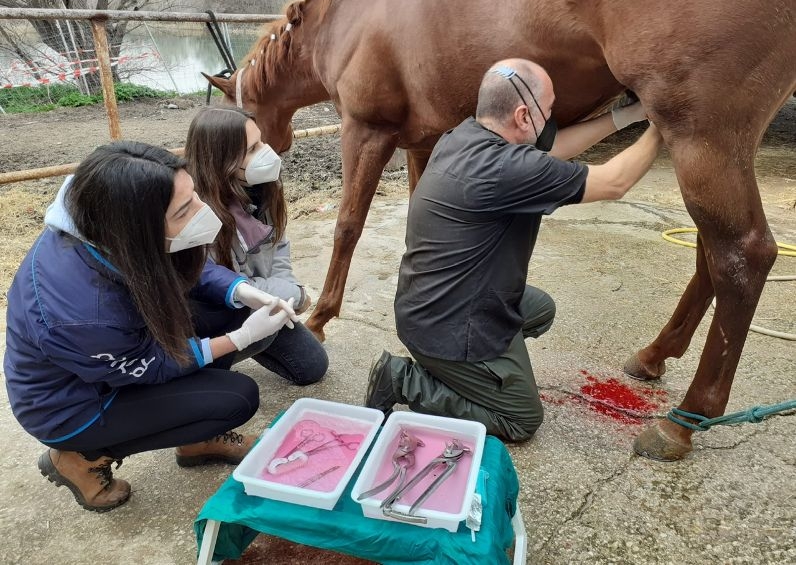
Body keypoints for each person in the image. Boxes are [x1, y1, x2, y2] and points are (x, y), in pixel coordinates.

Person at [366, 58, 664, 442]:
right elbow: (615, 182)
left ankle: (482, 372)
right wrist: (661, 126)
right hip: (445, 328)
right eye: (550, 109)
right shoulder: (505, 169)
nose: (551, 118)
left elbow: (551, 148)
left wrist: (628, 117)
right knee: (522, 420)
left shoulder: (462, 136)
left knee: (540, 309)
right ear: (524, 115)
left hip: (425, 304)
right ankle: (406, 380)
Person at [4, 142, 298, 512]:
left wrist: (241, 290)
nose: (202, 213)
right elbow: (151, 366)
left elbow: (180, 258)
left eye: (193, 197)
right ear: (138, 228)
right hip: (75, 403)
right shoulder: (83, 313)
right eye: (185, 209)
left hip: (112, 354)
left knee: (233, 309)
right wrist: (240, 339)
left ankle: (196, 436)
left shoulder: (104, 216)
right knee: (236, 398)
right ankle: (81, 456)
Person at [184, 107, 328, 386]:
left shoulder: (264, 187)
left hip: (265, 297)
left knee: (312, 366)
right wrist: (293, 296)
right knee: (267, 326)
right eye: (252, 149)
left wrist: (287, 290)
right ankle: (212, 359)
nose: (266, 152)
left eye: (261, 142)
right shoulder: (200, 216)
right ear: (221, 160)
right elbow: (235, 286)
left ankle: (251, 341)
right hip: (227, 310)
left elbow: (280, 248)